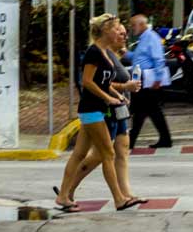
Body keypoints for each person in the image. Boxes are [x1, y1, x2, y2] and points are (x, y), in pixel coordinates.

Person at [54, 14, 140, 212]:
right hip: (92, 110)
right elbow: (87, 82)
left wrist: (117, 95)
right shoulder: (93, 52)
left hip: (98, 109)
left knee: (79, 154)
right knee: (108, 153)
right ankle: (119, 199)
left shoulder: (104, 53)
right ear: (105, 31)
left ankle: (63, 196)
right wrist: (107, 98)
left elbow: (105, 82)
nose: (119, 32)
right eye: (115, 28)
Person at [128, 13, 173, 149]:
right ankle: (165, 139)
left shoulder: (151, 37)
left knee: (144, 110)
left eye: (133, 25)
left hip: (149, 80)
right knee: (147, 111)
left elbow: (158, 59)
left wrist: (158, 79)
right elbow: (140, 57)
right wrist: (125, 53)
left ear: (142, 24)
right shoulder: (143, 38)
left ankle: (132, 140)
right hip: (142, 78)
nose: (131, 28)